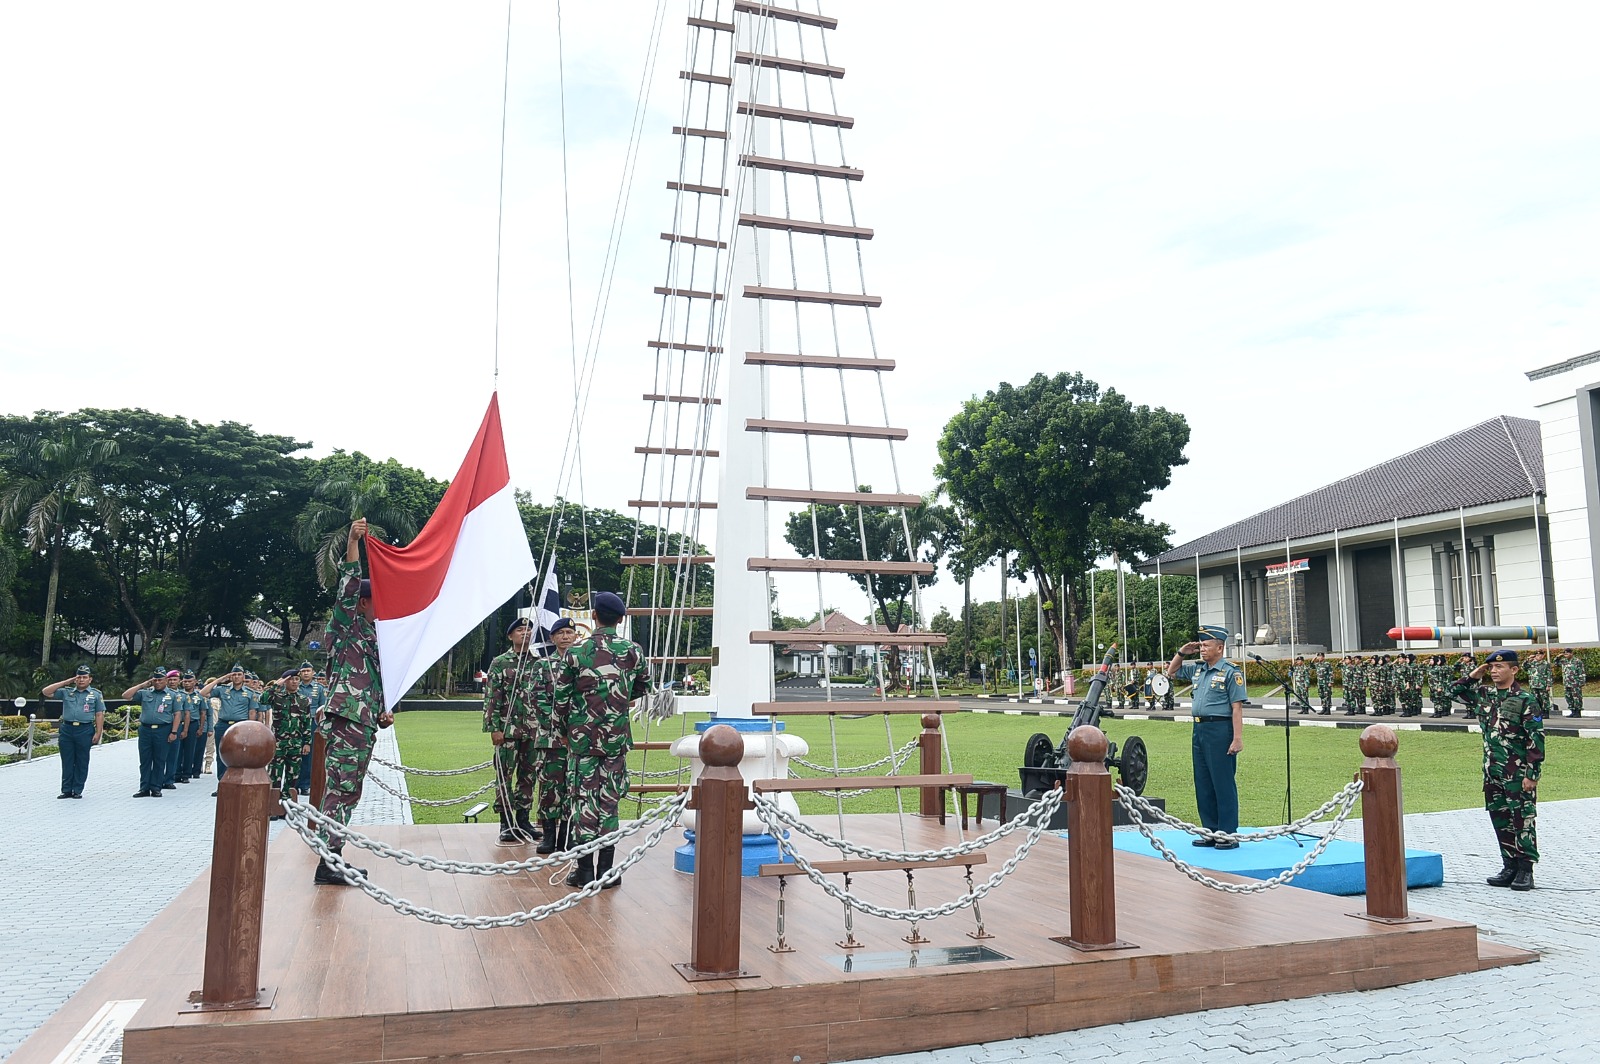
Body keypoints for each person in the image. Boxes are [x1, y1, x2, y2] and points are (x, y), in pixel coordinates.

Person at [314, 518, 393, 886]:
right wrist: (352, 543)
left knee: (350, 789)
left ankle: (332, 856)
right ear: (363, 602)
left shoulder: (375, 639)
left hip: (360, 722)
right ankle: (327, 861)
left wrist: (383, 710)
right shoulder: (347, 627)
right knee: (341, 789)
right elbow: (346, 587)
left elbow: (373, 682)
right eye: (377, 600)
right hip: (346, 719)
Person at [557, 590, 649, 887]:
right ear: (620, 619)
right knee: (609, 801)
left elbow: (560, 699)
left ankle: (584, 871)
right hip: (615, 740)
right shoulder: (632, 651)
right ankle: (607, 871)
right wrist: (618, 703)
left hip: (582, 741)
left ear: (594, 616)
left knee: (583, 801)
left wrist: (566, 731)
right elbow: (642, 686)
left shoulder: (576, 652)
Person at [1452, 649, 1543, 891]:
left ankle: (1525, 870)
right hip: (1492, 772)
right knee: (1500, 819)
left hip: (1517, 773)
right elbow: (1453, 692)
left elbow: (1536, 740)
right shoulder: (1484, 695)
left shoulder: (1526, 700)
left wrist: (1531, 775)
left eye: (1499, 667)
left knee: (1522, 820)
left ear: (1514, 670)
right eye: (1490, 667)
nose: (1494, 671)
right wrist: (1474, 674)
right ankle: (1509, 866)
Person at [1164, 624, 1246, 850]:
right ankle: (1209, 831)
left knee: (1223, 783)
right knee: (1203, 782)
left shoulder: (1230, 672)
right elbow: (1171, 672)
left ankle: (1228, 834)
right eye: (1200, 645)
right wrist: (1182, 652)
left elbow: (1237, 707)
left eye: (1206, 645)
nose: (1202, 649)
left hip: (1220, 730)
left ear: (1220, 648)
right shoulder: (1198, 669)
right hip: (1199, 730)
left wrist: (1237, 738)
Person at [483, 617, 542, 845]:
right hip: (507, 731)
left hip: (532, 731)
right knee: (504, 777)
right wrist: (494, 728)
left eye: (529, 630)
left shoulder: (538, 663)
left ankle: (523, 820)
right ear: (510, 636)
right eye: (520, 630)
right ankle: (506, 823)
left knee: (528, 777)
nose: (525, 633)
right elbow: (492, 697)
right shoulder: (500, 663)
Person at [532, 617, 579, 854]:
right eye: (560, 633)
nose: (565, 637)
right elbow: (537, 699)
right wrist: (556, 726)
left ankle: (568, 836)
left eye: (569, 632)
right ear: (552, 638)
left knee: (572, 787)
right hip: (550, 738)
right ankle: (549, 836)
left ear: (576, 636)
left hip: (576, 738)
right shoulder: (542, 666)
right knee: (549, 788)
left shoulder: (582, 664)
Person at [42, 665, 105, 798]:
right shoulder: (66, 692)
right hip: (67, 729)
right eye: (79, 677)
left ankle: (77, 790)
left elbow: (99, 714)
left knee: (82, 760)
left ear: (90, 679)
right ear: (75, 679)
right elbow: (46, 692)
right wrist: (66, 682)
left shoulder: (95, 694)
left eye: (84, 677)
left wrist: (98, 733)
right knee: (67, 760)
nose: (81, 680)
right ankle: (66, 790)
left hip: (85, 729)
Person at [261, 668, 313, 819]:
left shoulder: (303, 700)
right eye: (291, 679)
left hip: (295, 744)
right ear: (285, 681)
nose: (295, 682)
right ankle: (273, 807)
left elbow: (306, 723)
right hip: (278, 742)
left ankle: (287, 806)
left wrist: (307, 742)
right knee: (275, 776)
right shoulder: (276, 696)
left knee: (292, 777)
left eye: (297, 679)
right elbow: (262, 699)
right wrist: (276, 685)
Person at [201, 664, 261, 786]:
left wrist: (250, 729)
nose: (236, 677)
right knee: (222, 754)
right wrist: (219, 680)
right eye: (234, 674)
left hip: (241, 726)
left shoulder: (250, 693)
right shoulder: (223, 689)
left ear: (243, 677)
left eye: (239, 674)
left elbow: (252, 712)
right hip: (223, 725)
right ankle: (222, 784)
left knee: (241, 755)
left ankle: (238, 783)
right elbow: (203, 693)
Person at [123, 669, 178, 798]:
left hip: (163, 729)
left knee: (159, 760)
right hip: (146, 729)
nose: (158, 682)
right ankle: (144, 788)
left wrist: (174, 732)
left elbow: (177, 714)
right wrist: (142, 685)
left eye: (160, 680)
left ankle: (156, 787)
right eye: (155, 680)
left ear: (166, 680)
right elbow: (126, 695)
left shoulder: (173, 695)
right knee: (145, 760)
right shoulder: (145, 693)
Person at [294, 660, 328, 796]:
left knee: (309, 755)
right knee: (296, 753)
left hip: (313, 722)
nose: (305, 673)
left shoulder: (319, 688)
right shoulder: (296, 685)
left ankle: (305, 784)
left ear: (312, 672)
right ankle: (294, 783)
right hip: (297, 721)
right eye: (303, 671)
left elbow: (322, 708)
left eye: (308, 671)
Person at [1558, 648, 1586, 718]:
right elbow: (1556, 663)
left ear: (1571, 653)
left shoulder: (1577, 661)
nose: (1566, 655)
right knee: (1568, 697)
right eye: (1565, 654)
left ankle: (1578, 711)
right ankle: (1572, 711)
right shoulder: (1564, 661)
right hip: (1566, 683)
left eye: (1567, 654)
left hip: (1575, 683)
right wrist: (1559, 656)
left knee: (1576, 698)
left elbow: (1581, 672)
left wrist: (1581, 682)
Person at [1525, 650, 1553, 718]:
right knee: (1535, 699)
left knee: (1544, 699)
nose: (1539, 656)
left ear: (1543, 655)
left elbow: (1549, 674)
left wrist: (1549, 685)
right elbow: (1524, 667)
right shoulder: (1532, 663)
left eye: (1540, 655)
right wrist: (1528, 659)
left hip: (1542, 684)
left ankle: (1546, 712)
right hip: (1533, 684)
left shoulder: (1546, 664)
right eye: (1537, 655)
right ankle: (1538, 712)